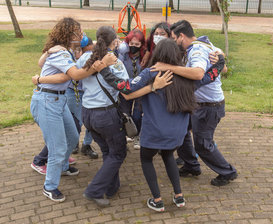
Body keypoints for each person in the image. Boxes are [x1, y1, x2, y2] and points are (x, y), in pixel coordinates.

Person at [93, 38, 199, 212]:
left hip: (155, 131)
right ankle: (179, 196)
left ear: (158, 54)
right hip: (177, 133)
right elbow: (210, 75)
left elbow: (125, 88)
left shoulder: (152, 72)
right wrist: (221, 59)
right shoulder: (187, 74)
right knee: (168, 156)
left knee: (146, 158)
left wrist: (104, 70)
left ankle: (157, 200)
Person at [151, 20, 238, 186]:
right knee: (181, 131)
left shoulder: (197, 49)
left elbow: (198, 74)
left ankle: (228, 172)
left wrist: (169, 67)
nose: (174, 42)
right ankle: (191, 165)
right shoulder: (204, 42)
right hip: (199, 104)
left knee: (203, 144)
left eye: (174, 38)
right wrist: (220, 58)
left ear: (182, 36)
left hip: (209, 106)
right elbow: (223, 69)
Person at [30, 17, 103, 203]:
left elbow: (45, 67)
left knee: (72, 137)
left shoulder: (65, 51)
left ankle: (62, 166)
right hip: (47, 101)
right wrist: (96, 67)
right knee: (58, 147)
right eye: (79, 31)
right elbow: (76, 75)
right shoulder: (61, 53)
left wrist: (43, 68)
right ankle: (50, 186)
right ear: (69, 34)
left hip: (58, 100)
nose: (82, 34)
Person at [117, 29, 146, 149]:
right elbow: (118, 62)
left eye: (137, 44)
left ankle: (138, 135)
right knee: (125, 113)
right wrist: (123, 47)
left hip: (140, 88)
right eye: (131, 44)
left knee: (138, 114)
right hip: (126, 88)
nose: (133, 47)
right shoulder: (124, 55)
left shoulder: (144, 57)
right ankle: (129, 133)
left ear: (141, 45)